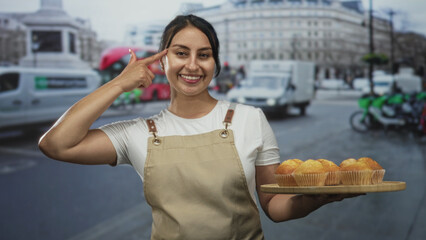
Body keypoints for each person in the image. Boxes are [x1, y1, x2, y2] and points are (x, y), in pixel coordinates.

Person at [39, 14, 359, 239]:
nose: (192, 65)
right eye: (181, 53)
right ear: (162, 62)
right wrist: (118, 84)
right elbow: (56, 145)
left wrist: (315, 199)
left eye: (204, 55)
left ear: (214, 65)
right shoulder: (137, 132)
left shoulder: (250, 118)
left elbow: (273, 206)